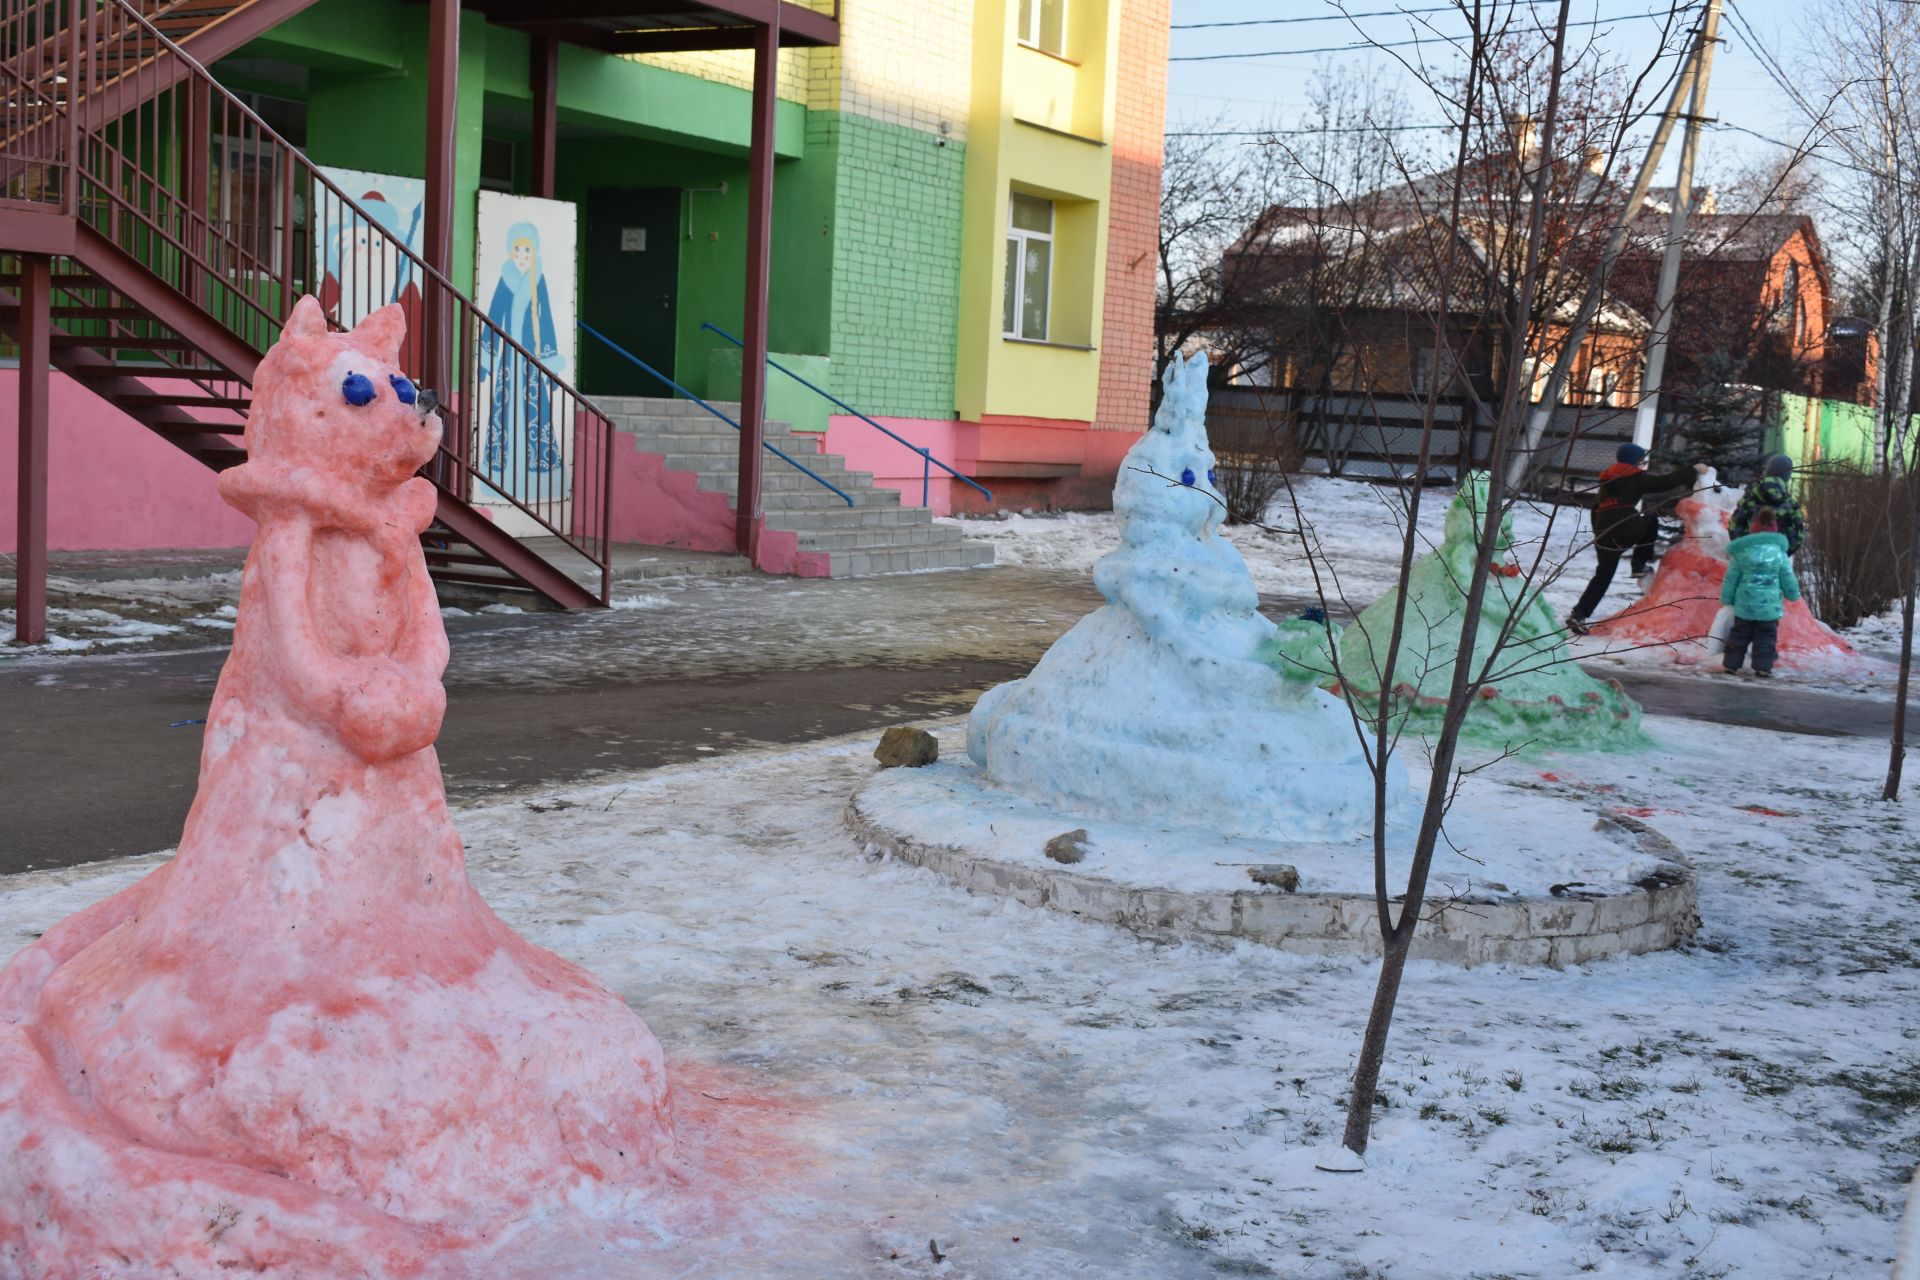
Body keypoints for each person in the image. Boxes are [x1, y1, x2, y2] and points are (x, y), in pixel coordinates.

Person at [1567, 444, 1707, 634]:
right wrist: (1693, 470)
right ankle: (1639, 565)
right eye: (1641, 459)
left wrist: (1598, 535)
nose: (1642, 463)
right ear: (1634, 460)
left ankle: (1579, 613)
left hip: (1603, 529)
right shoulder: (1635, 477)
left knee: (1603, 575)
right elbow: (1665, 482)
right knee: (1651, 520)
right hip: (1625, 525)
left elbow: (1596, 508)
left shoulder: (1607, 479)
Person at [1719, 507, 1801, 678]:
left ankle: (1731, 665)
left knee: (1739, 635)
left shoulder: (1742, 552)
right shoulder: (1779, 554)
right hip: (1769, 608)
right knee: (1766, 638)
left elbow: (1731, 578)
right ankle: (1762, 667)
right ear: (1774, 529)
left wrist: (1727, 597)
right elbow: (1787, 577)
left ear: (1753, 528)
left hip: (1744, 605)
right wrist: (1793, 594)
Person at [1730, 453, 1806, 553]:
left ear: (1768, 471)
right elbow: (1797, 536)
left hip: (1749, 558)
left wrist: (1744, 551)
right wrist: (1782, 554)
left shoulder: (1749, 497)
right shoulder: (1790, 504)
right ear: (1787, 476)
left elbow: (1734, 526)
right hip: (1776, 561)